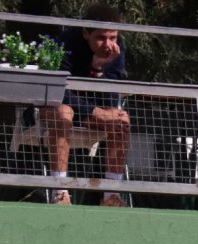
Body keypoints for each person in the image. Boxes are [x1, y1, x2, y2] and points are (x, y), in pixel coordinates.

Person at [40, 1, 131, 207]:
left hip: (91, 113)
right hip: (57, 110)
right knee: (63, 112)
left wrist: (98, 68)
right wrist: (95, 111)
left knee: (122, 119)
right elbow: (57, 92)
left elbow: (110, 100)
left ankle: (111, 195)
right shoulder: (64, 43)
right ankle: (60, 192)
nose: (108, 44)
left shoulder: (116, 50)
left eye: (112, 37)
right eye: (101, 37)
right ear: (85, 33)